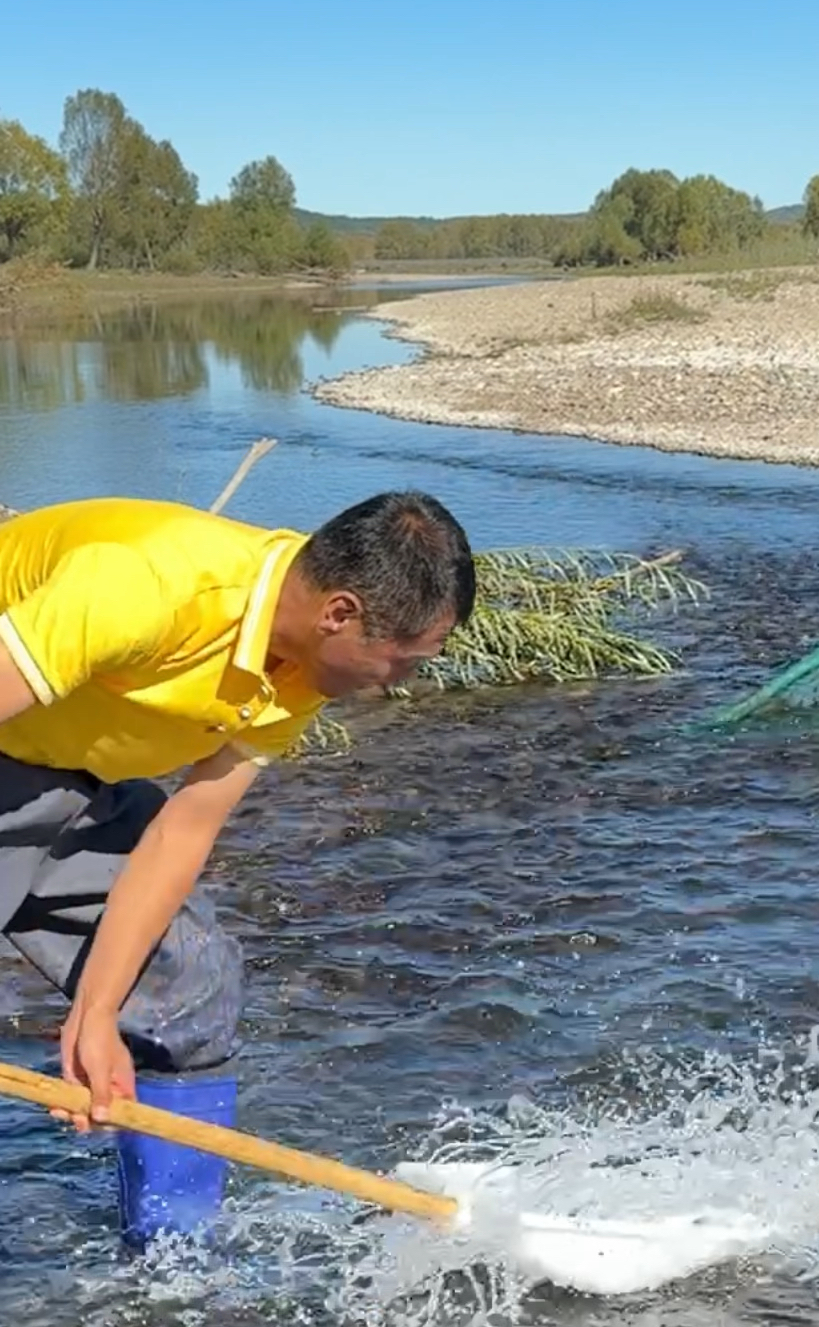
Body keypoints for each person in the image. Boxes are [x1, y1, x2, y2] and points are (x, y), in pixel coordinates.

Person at [0, 488, 474, 1243]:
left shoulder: (297, 669)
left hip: (77, 773)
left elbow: (181, 833)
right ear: (341, 614)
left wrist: (95, 1014)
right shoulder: (147, 585)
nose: (398, 686)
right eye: (402, 663)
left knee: (191, 985)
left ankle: (173, 1267)